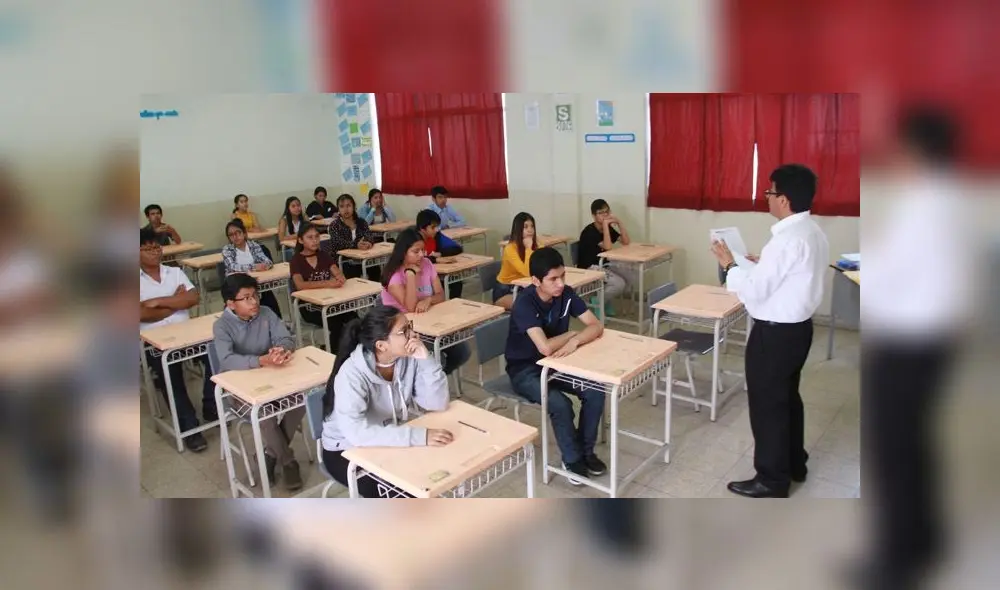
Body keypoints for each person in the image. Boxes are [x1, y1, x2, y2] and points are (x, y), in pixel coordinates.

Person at [854, 106, 970, 589]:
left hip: (907, 345)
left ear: (914, 150)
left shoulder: (922, 204)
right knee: (917, 446)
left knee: (894, 453)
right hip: (938, 341)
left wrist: (867, 265)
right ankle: (926, 539)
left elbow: (885, 275)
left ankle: (896, 563)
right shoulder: (952, 197)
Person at [710, 163, 829, 498]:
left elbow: (756, 292)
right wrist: (761, 263)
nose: (766, 197)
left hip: (774, 334)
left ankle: (772, 479)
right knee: (788, 398)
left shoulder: (786, 241)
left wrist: (729, 265)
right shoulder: (812, 232)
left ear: (785, 200)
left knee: (767, 406)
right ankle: (794, 463)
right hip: (798, 331)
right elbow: (793, 276)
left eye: (770, 192)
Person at [320, 305, 452, 498]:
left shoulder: (408, 357)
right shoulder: (351, 374)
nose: (413, 334)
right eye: (404, 331)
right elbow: (357, 434)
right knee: (402, 493)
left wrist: (426, 360)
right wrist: (418, 436)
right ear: (381, 345)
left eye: (410, 326)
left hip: (384, 438)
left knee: (432, 477)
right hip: (345, 450)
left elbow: (437, 403)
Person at [505, 247, 606, 483]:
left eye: (562, 276)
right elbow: (545, 348)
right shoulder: (524, 304)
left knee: (596, 390)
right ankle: (571, 460)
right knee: (560, 404)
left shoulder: (566, 294)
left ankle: (585, 452)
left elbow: (595, 325)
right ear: (535, 281)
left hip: (557, 364)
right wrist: (572, 334)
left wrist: (577, 340)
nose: (560, 284)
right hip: (525, 369)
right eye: (553, 279)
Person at [213, 273, 304, 491]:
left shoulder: (266, 313)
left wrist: (282, 349)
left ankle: (268, 455)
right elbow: (226, 359)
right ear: (231, 304)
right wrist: (260, 360)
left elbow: (285, 338)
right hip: (238, 389)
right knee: (264, 414)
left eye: (255, 295)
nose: (254, 302)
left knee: (301, 399)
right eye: (246, 298)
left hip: (271, 377)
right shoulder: (222, 326)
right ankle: (288, 461)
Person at [139, 227, 215, 452]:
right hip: (153, 343)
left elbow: (193, 298)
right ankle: (190, 427)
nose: (155, 251)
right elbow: (140, 314)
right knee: (170, 377)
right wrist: (175, 300)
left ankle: (211, 406)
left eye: (157, 247)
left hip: (188, 334)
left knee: (215, 355)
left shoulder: (174, 272)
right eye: (148, 248)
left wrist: (157, 303)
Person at [380, 228, 471, 376]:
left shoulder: (427, 264)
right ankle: (429, 381)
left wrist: (428, 300)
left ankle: (435, 379)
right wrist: (410, 275)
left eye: (423, 250)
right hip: (404, 331)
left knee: (463, 351)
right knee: (436, 358)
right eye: (416, 251)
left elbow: (441, 295)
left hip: (429, 324)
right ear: (403, 252)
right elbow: (409, 307)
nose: (421, 255)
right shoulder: (394, 276)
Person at [288, 223, 354, 348]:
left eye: (317, 237)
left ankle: (349, 349)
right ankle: (332, 352)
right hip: (308, 307)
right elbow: (300, 285)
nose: (315, 241)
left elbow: (339, 274)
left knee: (353, 317)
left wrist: (339, 279)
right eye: (310, 237)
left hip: (329, 301)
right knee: (336, 323)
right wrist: (328, 283)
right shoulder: (296, 260)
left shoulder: (324, 255)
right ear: (301, 240)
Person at [576, 199, 634, 317]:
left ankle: (604, 300)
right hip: (589, 267)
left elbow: (626, 241)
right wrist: (606, 226)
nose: (605, 215)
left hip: (603, 264)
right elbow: (608, 247)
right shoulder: (589, 232)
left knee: (630, 275)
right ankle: (599, 301)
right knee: (619, 284)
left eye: (607, 212)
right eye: (601, 213)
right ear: (594, 215)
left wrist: (619, 223)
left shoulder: (606, 228)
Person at [221, 219, 282, 318]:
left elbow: (267, 261)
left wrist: (265, 265)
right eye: (231, 235)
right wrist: (254, 267)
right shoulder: (227, 250)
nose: (235, 236)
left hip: (258, 283)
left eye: (238, 232)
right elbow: (232, 267)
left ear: (244, 233)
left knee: (269, 300)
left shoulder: (253, 245)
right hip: (237, 287)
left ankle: (276, 323)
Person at [327, 193, 380, 281]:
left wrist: (368, 242)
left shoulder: (361, 222)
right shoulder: (335, 225)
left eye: (348, 205)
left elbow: (369, 235)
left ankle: (375, 294)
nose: (345, 209)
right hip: (343, 260)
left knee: (375, 268)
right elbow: (338, 243)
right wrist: (356, 245)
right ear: (338, 209)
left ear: (354, 207)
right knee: (351, 271)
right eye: (342, 206)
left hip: (361, 257)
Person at [415, 208, 464, 299]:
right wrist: (436, 259)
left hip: (434, 273)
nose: (436, 230)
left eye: (437, 227)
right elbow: (415, 259)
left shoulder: (436, 236)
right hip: (417, 276)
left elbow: (457, 248)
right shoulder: (413, 240)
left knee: (456, 282)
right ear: (422, 228)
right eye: (433, 227)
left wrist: (440, 253)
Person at [493, 212, 538, 310]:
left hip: (524, 287)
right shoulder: (510, 249)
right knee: (531, 306)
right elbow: (527, 273)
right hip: (506, 290)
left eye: (532, 226)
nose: (530, 230)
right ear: (518, 229)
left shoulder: (537, 245)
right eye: (525, 227)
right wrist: (528, 249)